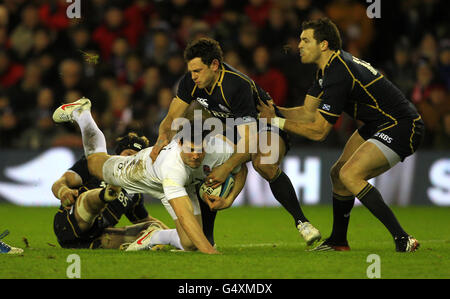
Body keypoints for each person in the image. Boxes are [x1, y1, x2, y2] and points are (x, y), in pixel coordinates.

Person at [257, 18, 424, 252]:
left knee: (350, 174)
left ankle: (402, 238)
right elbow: (307, 113)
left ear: (323, 44)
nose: (299, 45)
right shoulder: (325, 71)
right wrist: (274, 111)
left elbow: (318, 131)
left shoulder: (339, 73)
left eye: (305, 40)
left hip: (402, 126)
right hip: (378, 124)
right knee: (338, 174)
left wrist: (274, 121)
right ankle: (338, 241)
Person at [149, 37, 321, 247]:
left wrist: (227, 167)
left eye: (198, 70)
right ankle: (208, 239)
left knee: (263, 163)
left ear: (214, 65)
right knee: (203, 159)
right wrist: (160, 142)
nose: (193, 76)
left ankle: (302, 222)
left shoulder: (235, 86)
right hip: (232, 126)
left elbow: (249, 141)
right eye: (191, 71)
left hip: (266, 124)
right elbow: (171, 119)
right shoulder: (190, 82)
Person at [52, 97, 247, 254]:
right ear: (180, 144)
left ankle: (153, 237)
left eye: (200, 150)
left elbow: (240, 168)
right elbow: (183, 215)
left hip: (182, 184)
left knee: (188, 244)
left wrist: (229, 200)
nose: (196, 155)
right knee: (94, 162)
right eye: (191, 149)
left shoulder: (219, 149)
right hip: (140, 170)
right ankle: (82, 113)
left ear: (208, 143)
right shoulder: (172, 166)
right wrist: (210, 252)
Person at [52, 131, 169, 249]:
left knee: (153, 227)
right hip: (69, 224)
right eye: (128, 154)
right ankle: (106, 194)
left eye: (136, 158)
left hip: (94, 238)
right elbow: (61, 182)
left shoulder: (135, 194)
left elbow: (145, 219)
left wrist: (175, 235)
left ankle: (134, 245)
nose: (130, 160)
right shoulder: (95, 165)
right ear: (118, 153)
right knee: (87, 199)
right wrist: (64, 191)